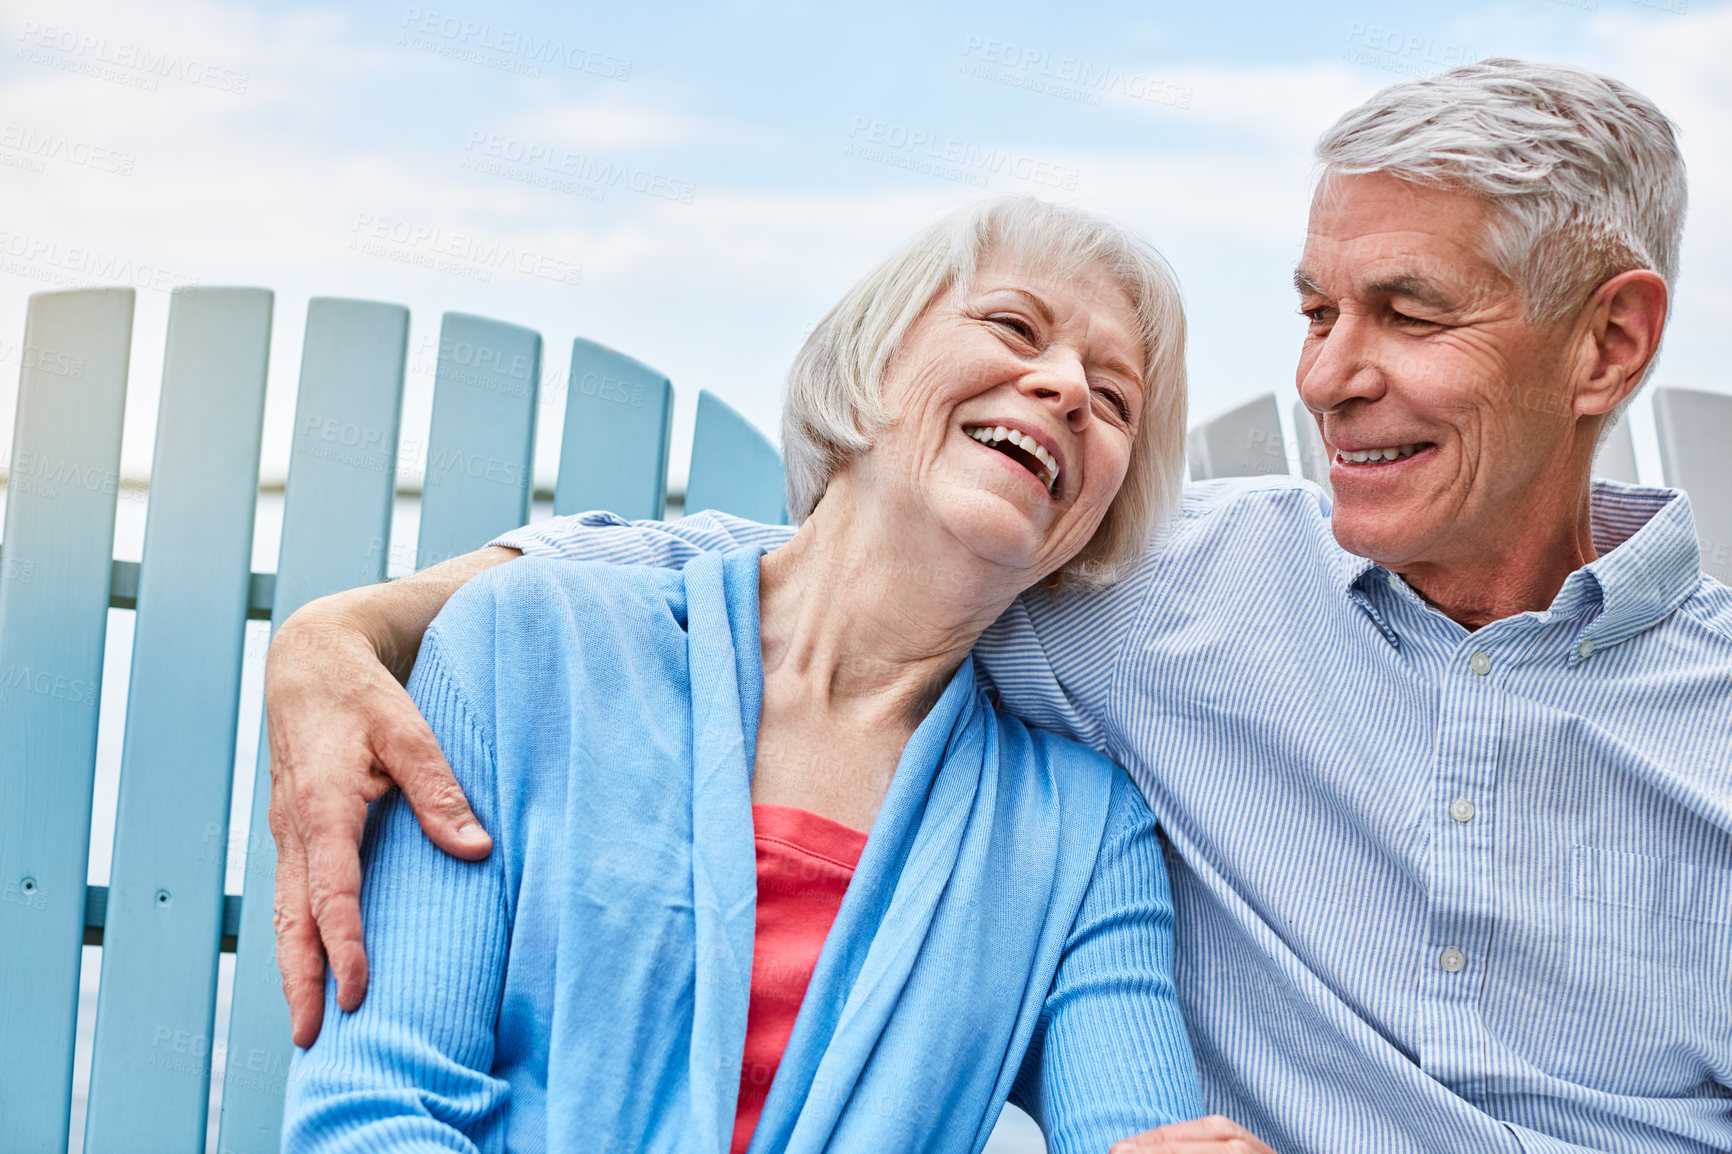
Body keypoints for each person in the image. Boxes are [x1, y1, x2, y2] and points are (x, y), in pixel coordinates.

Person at [270, 60, 1732, 1153]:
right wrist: (351, 628)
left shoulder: (1075, 794)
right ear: (868, 357)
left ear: (1609, 343)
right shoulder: (545, 644)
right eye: (1314, 312)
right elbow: (815, 565)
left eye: (1408, 314)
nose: (1326, 377)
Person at [281, 197, 1207, 1152]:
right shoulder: (525, 648)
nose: (1066, 390)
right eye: (1015, 326)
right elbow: (374, 1118)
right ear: (873, 352)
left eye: (1115, 400)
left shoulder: (1085, 833)